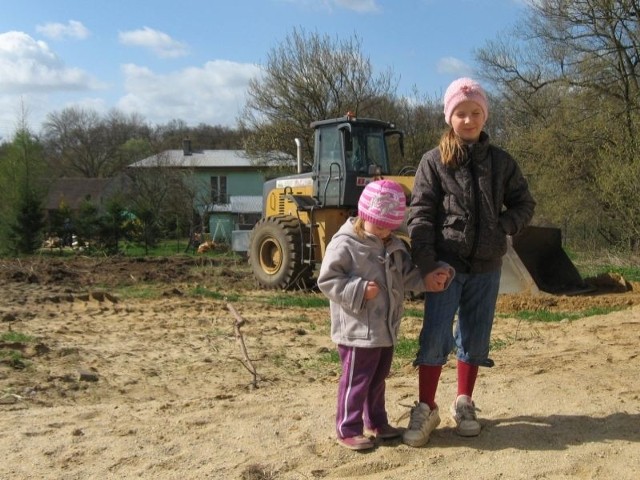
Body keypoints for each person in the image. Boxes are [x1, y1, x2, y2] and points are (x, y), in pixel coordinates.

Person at [403, 77, 536, 447]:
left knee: (475, 338)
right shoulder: (433, 162)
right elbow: (420, 215)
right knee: (435, 337)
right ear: (450, 116)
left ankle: (464, 403)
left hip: (487, 268)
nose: (468, 119)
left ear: (484, 116)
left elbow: (525, 204)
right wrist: (427, 264)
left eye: (475, 112)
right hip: (445, 265)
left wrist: (503, 228)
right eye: (460, 113)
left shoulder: (502, 163)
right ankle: (426, 407)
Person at [317, 179, 454, 451]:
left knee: (378, 379)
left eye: (389, 227)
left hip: (384, 329)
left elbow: (406, 277)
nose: (383, 232)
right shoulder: (345, 244)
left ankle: (377, 422)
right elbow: (327, 280)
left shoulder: (394, 246)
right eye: (378, 225)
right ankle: (348, 428)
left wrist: (428, 280)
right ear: (364, 216)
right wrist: (357, 289)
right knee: (357, 380)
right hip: (357, 331)